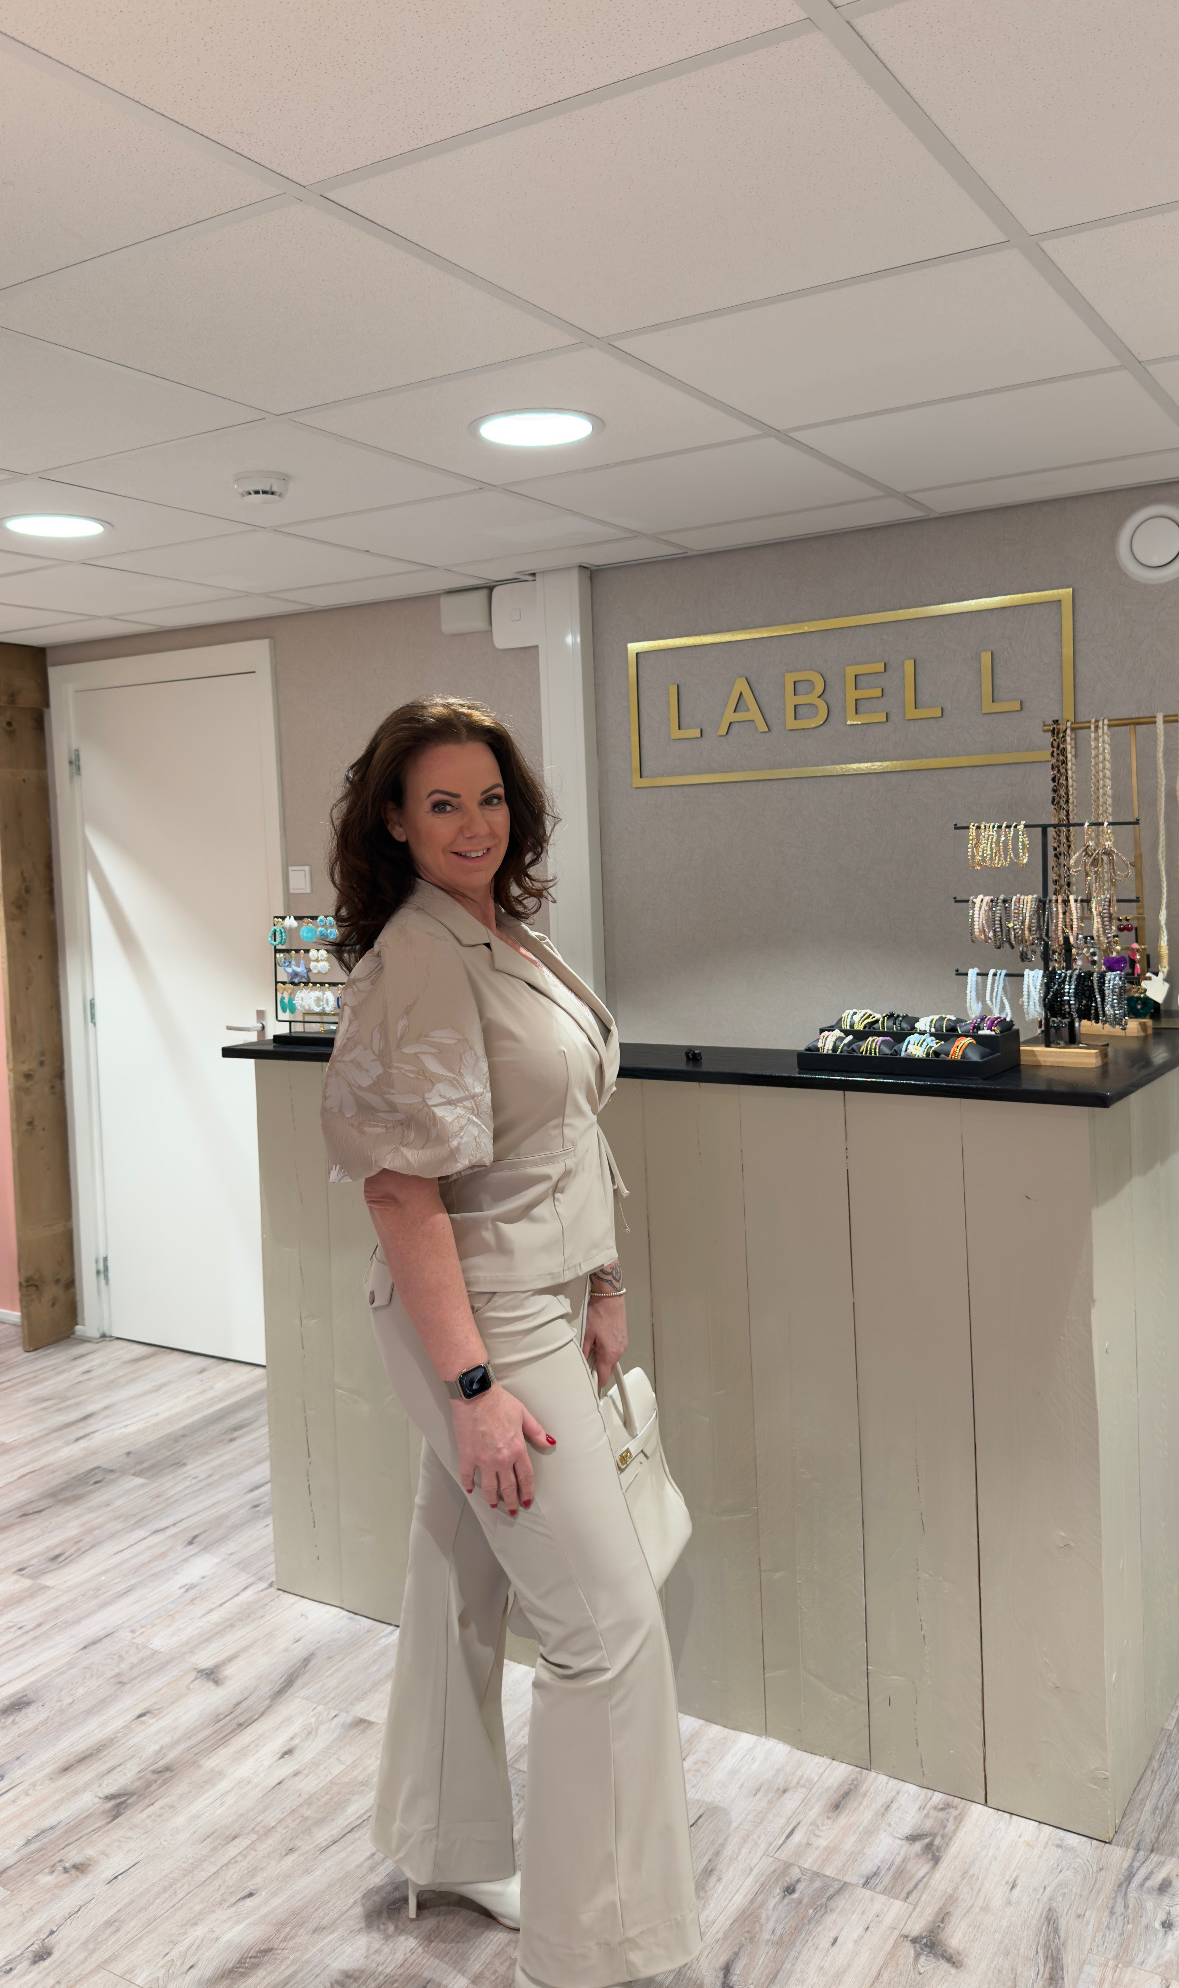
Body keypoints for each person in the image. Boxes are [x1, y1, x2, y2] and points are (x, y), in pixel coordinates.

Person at [321, 696, 701, 1988]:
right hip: (480, 1321)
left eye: (488, 798)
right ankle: (595, 1952)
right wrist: (474, 1386)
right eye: (441, 803)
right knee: (605, 1632)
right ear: (394, 821)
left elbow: (563, 1133)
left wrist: (606, 1283)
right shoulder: (417, 959)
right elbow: (399, 1191)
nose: (473, 823)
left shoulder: (504, 937)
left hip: (542, 1296)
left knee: (461, 1571)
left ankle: (444, 1843)